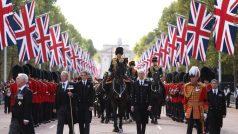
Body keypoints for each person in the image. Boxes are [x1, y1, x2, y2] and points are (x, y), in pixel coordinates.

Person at [184, 66, 208, 134]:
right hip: (190, 109)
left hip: (199, 109)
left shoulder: (202, 87)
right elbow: (185, 100)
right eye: (191, 76)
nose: (192, 78)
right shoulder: (186, 86)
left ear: (197, 77)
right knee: (189, 127)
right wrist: (185, 111)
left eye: (193, 76)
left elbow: (205, 100)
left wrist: (206, 112)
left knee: (199, 128)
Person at [131, 70, 152, 134]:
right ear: (138, 75)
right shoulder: (135, 83)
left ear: (144, 75)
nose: (141, 75)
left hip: (145, 105)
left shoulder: (148, 83)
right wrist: (132, 105)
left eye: (142, 74)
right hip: (137, 105)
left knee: (144, 121)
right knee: (138, 121)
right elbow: (133, 95)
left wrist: (150, 105)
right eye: (139, 74)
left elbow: (150, 95)